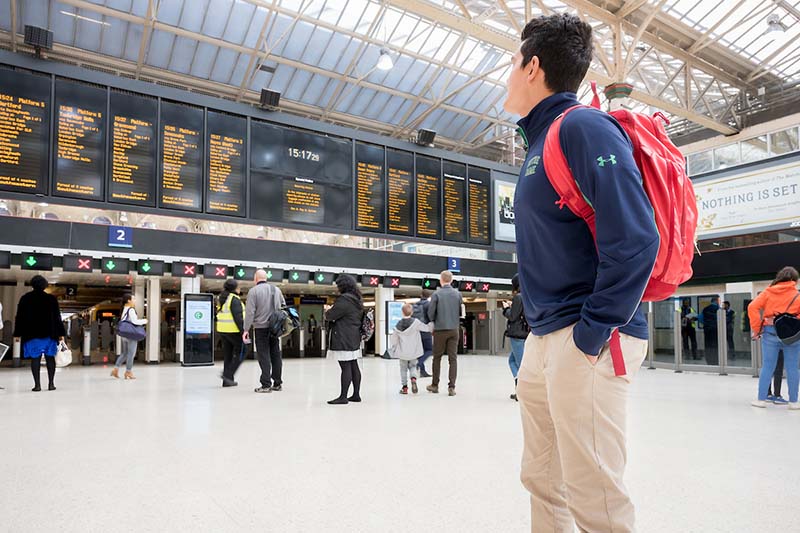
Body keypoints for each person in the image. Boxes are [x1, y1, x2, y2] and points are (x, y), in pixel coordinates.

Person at [505, 13, 658, 532]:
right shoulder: (538, 141)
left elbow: (636, 237)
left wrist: (590, 333)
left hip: (586, 335)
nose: (507, 73)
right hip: (546, 337)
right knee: (543, 480)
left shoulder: (584, 127)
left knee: (594, 493)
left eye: (512, 61)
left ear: (533, 66)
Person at [748, 267, 800, 409]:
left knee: (768, 366)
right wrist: (791, 320)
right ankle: (794, 402)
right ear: (794, 280)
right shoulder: (797, 295)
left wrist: (758, 328)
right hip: (792, 335)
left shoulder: (768, 292)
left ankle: (761, 400)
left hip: (770, 332)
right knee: (793, 368)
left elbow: (752, 307)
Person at [13, 275, 67, 391]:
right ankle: (51, 384)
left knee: (35, 359)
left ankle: (37, 385)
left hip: (32, 335)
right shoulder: (51, 299)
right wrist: (61, 333)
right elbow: (57, 318)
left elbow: (20, 317)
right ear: (44, 285)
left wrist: (17, 333)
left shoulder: (25, 298)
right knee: (50, 358)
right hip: (49, 334)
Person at [243, 269, 285, 394]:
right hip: (275, 328)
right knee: (276, 354)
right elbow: (283, 306)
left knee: (264, 355)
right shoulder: (277, 290)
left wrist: (246, 329)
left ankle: (266, 384)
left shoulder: (253, 291)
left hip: (261, 328)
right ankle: (277, 383)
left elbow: (250, 312)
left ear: (256, 278)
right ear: (265, 278)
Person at [325, 274, 364, 405]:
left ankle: (343, 397)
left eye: (338, 285)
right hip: (353, 336)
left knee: (345, 366)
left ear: (343, 285)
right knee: (353, 365)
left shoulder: (344, 300)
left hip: (343, 337)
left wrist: (327, 310)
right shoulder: (357, 299)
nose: (337, 288)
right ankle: (356, 394)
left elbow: (331, 316)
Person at [426, 270, 463, 397]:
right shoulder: (458, 294)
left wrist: (434, 321)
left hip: (440, 330)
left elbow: (431, 313)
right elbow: (459, 311)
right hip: (454, 329)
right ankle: (451, 387)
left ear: (441, 280)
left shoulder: (436, 294)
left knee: (437, 358)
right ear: (451, 280)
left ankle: (435, 385)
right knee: (453, 359)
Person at [390, 303, 434, 395]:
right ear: (412, 312)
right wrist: (431, 324)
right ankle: (413, 378)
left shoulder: (398, 325)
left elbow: (394, 339)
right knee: (413, 366)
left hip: (402, 352)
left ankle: (404, 387)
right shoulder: (416, 322)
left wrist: (394, 347)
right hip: (414, 351)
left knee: (403, 369)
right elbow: (426, 328)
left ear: (402, 312)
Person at [503, 274, 529, 401]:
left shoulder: (518, 297)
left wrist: (506, 309)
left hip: (517, 335)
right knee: (512, 361)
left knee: (520, 364)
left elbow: (513, 317)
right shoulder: (529, 295)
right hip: (525, 333)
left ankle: (522, 392)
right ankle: (519, 388)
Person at [216, 279, 245, 387]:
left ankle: (227, 381)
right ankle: (227, 375)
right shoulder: (234, 299)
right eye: (238, 286)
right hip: (234, 330)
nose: (239, 288)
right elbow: (238, 318)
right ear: (234, 288)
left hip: (223, 330)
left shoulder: (222, 298)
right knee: (244, 351)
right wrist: (244, 332)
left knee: (228, 355)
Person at [113, 293, 147, 380]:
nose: (135, 300)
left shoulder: (124, 309)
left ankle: (116, 369)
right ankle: (128, 371)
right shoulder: (131, 310)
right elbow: (135, 321)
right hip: (131, 335)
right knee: (131, 354)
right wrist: (144, 321)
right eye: (133, 299)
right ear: (129, 300)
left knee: (124, 353)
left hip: (124, 335)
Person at [412, 289, 433, 377]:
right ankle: (418, 363)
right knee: (429, 350)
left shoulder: (415, 304)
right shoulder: (428, 304)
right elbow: (430, 316)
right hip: (425, 330)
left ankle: (422, 371)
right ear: (429, 296)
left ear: (421, 295)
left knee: (421, 351)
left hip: (416, 330)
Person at [701, 297, 720, 365]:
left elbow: (701, 319)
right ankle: (715, 359)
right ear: (716, 301)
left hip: (707, 329)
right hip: (715, 329)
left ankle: (709, 360)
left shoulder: (705, 309)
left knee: (707, 344)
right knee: (715, 344)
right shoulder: (718, 309)